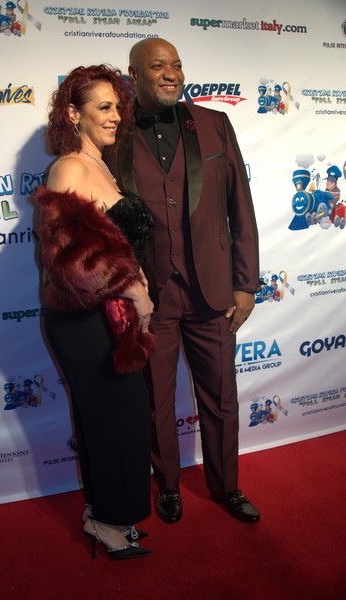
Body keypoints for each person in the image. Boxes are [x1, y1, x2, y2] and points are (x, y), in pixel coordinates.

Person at [105, 39, 261, 524]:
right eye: (158, 66)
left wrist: (247, 284)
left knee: (222, 397)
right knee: (155, 400)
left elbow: (240, 207)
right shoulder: (114, 133)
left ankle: (226, 485)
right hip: (150, 298)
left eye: (176, 65)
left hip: (212, 291)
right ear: (134, 75)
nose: (171, 73)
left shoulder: (215, 124)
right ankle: (168, 484)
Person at [32, 65, 156, 559]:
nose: (115, 116)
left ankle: (105, 512)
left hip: (112, 318)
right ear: (72, 114)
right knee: (109, 419)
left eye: (117, 106)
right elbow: (67, 260)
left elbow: (112, 243)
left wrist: (135, 289)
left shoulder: (101, 165)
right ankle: (106, 522)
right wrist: (135, 291)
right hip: (85, 321)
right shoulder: (68, 168)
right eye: (103, 107)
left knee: (122, 418)